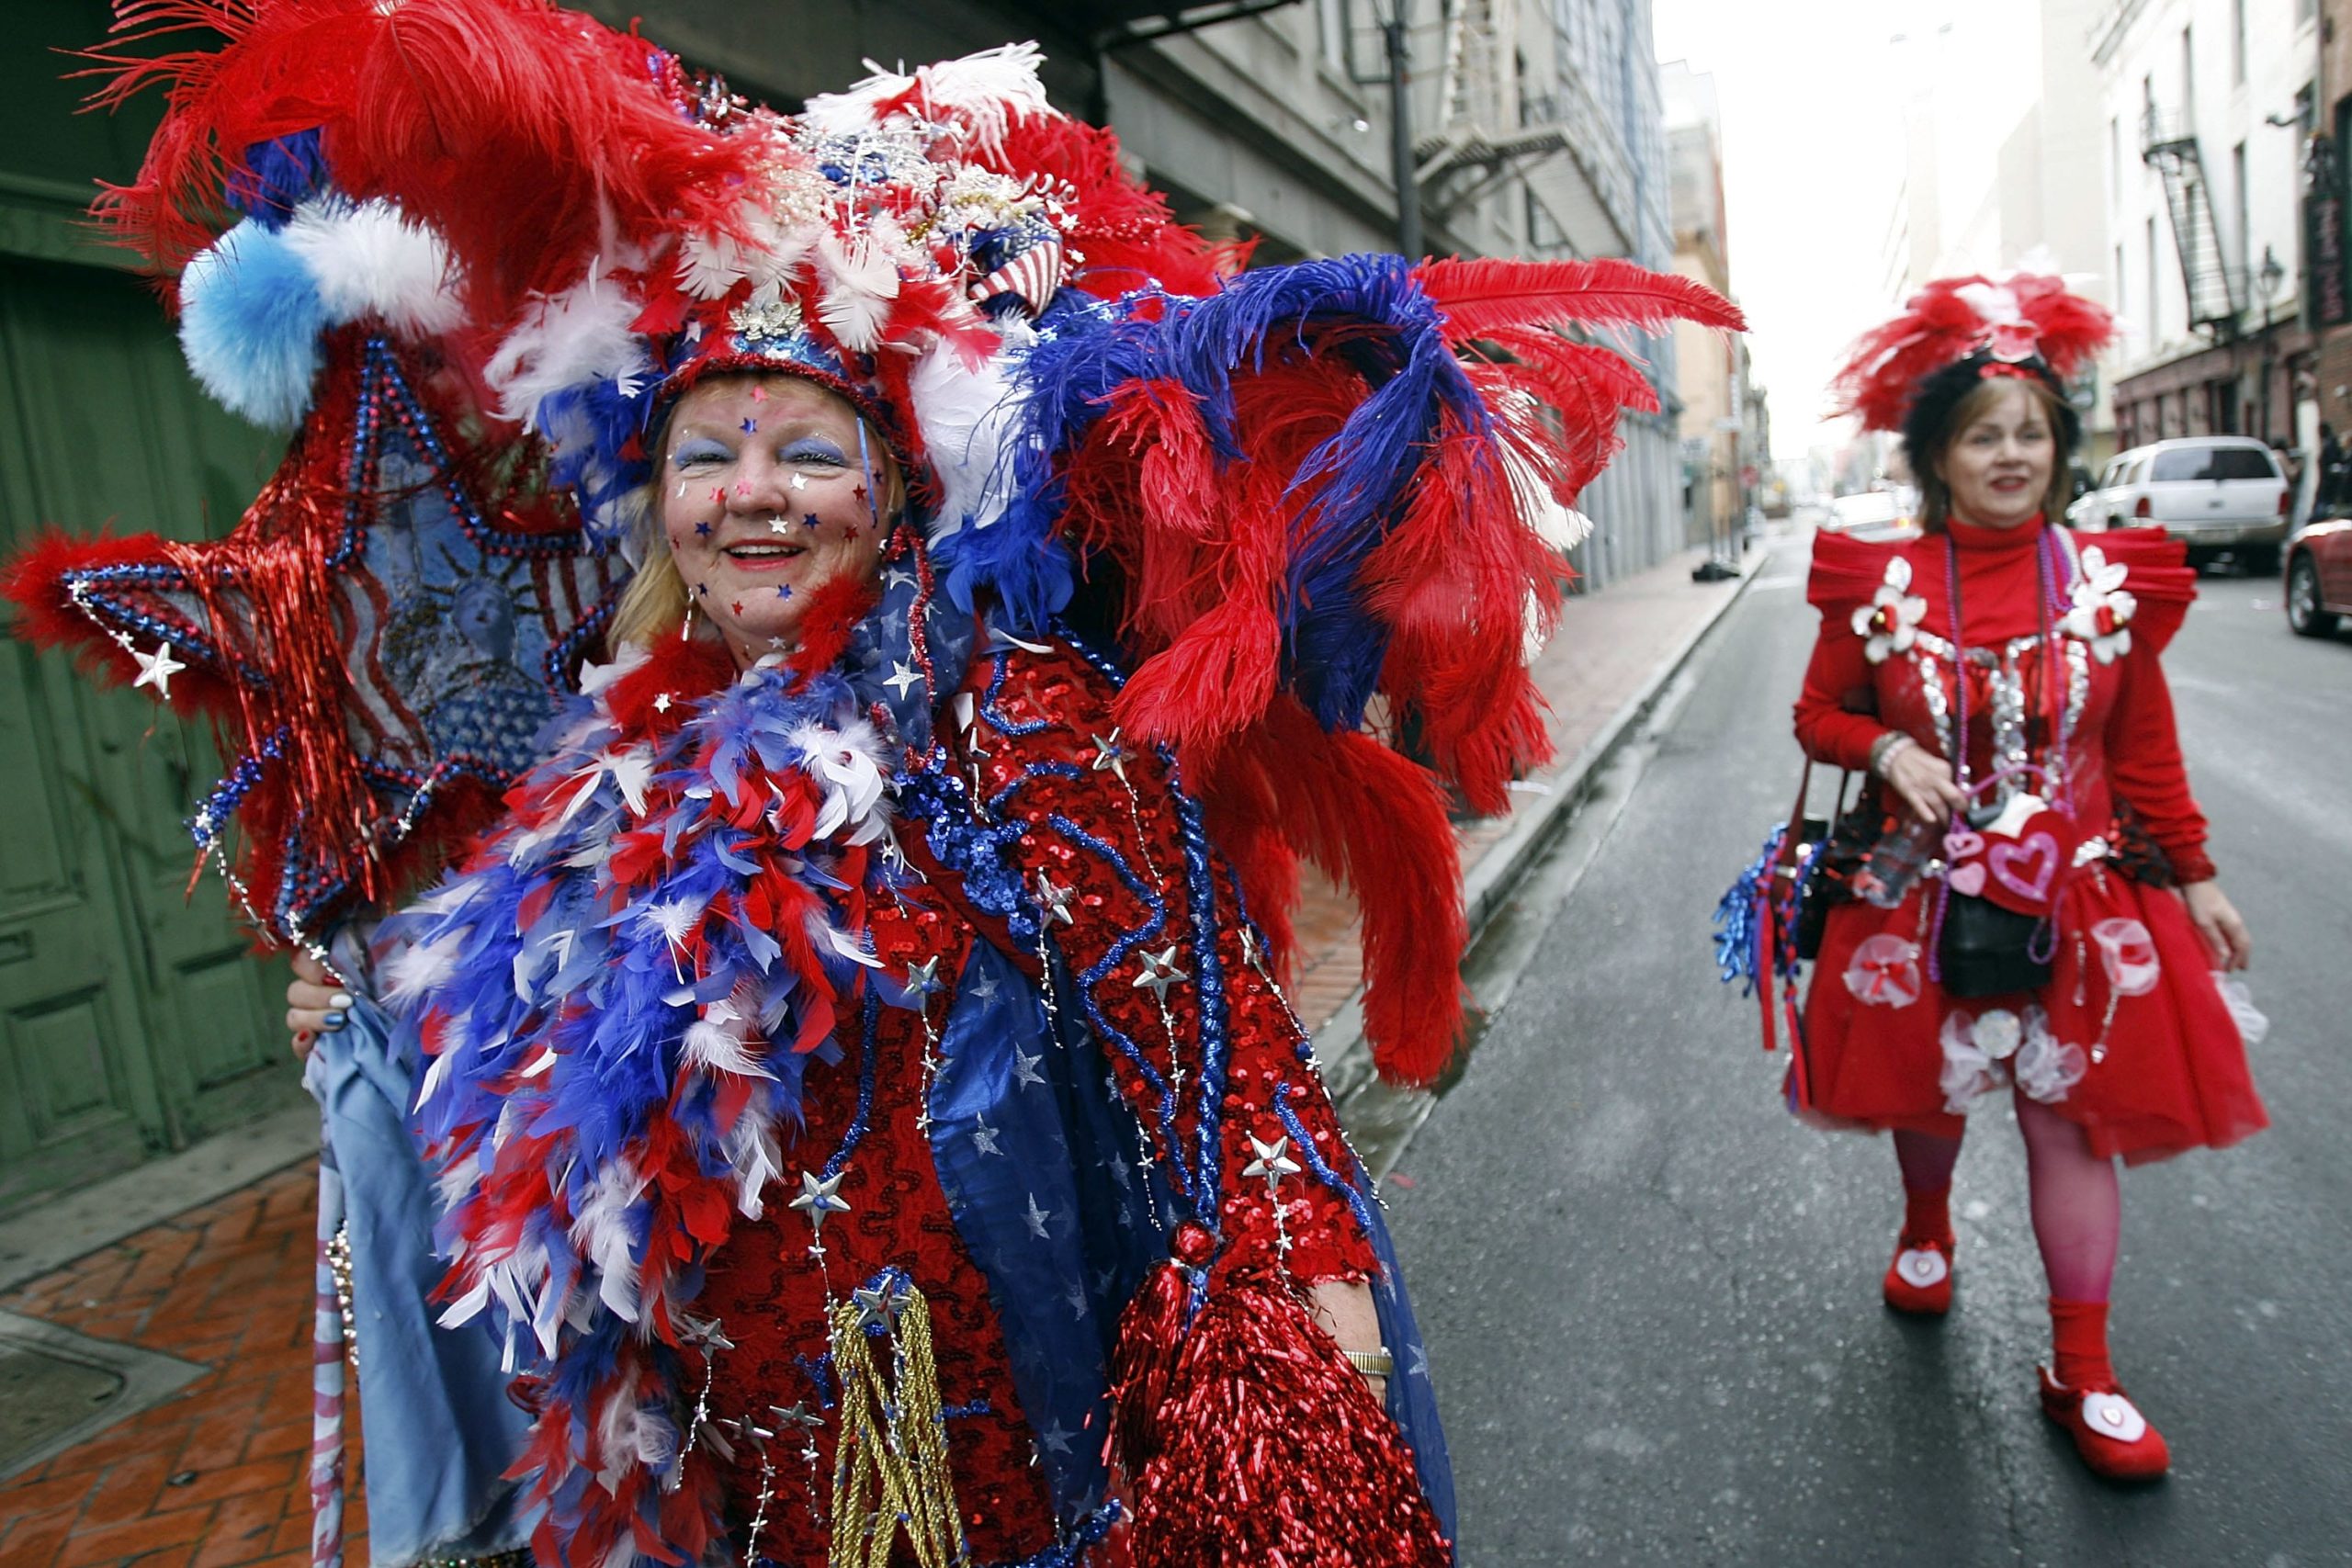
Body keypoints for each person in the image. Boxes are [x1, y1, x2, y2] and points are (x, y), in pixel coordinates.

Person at [241, 5, 1742, 1562]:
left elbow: (1208, 1029)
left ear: (887, 491)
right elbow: (545, 1071)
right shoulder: (605, 772)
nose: (754, 493)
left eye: (807, 451)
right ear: (659, 500)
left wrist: (1309, 1270)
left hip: (1021, 1433)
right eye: (709, 455)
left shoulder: (1008, 718)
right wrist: (383, 1019)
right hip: (743, 1469)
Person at [1787, 273, 2266, 1482]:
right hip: (1916, 888)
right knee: (1926, 1093)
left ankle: (2084, 1373)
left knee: (2069, 1127)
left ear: (2060, 451)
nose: (2009, 454)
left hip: (2082, 898)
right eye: (1980, 435)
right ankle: (1927, 1228)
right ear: (1938, 458)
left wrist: (2197, 879)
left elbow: (2144, 748)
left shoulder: (2108, 586)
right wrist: (1884, 744)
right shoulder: (1879, 584)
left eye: (2030, 433)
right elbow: (1814, 712)